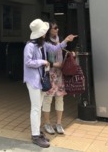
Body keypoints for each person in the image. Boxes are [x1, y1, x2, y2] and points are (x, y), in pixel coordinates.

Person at [23, 18, 77, 148]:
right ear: (40, 33)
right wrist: (43, 62)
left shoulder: (42, 45)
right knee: (36, 108)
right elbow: (28, 62)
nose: (45, 33)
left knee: (39, 106)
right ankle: (35, 135)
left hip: (41, 80)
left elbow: (54, 48)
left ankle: (37, 132)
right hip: (33, 81)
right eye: (44, 31)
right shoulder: (30, 46)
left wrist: (66, 41)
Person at [42, 20, 73, 135]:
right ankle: (47, 123)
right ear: (49, 30)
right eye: (55, 28)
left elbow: (59, 51)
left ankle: (59, 123)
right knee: (48, 98)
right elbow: (51, 52)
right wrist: (66, 40)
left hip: (59, 73)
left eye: (57, 27)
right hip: (50, 73)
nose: (57, 29)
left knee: (60, 98)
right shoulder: (45, 43)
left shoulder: (58, 39)